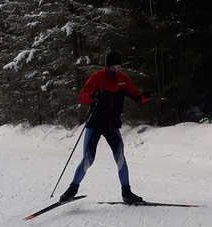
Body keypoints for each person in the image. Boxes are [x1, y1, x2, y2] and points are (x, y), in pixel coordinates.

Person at [59, 51, 151, 204]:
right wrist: (94, 96)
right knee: (88, 159)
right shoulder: (97, 77)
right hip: (95, 124)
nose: (116, 71)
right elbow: (82, 97)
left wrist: (145, 95)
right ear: (107, 66)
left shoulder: (123, 79)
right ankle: (71, 190)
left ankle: (126, 192)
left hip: (112, 125)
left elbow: (137, 96)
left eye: (118, 68)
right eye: (113, 68)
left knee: (120, 157)